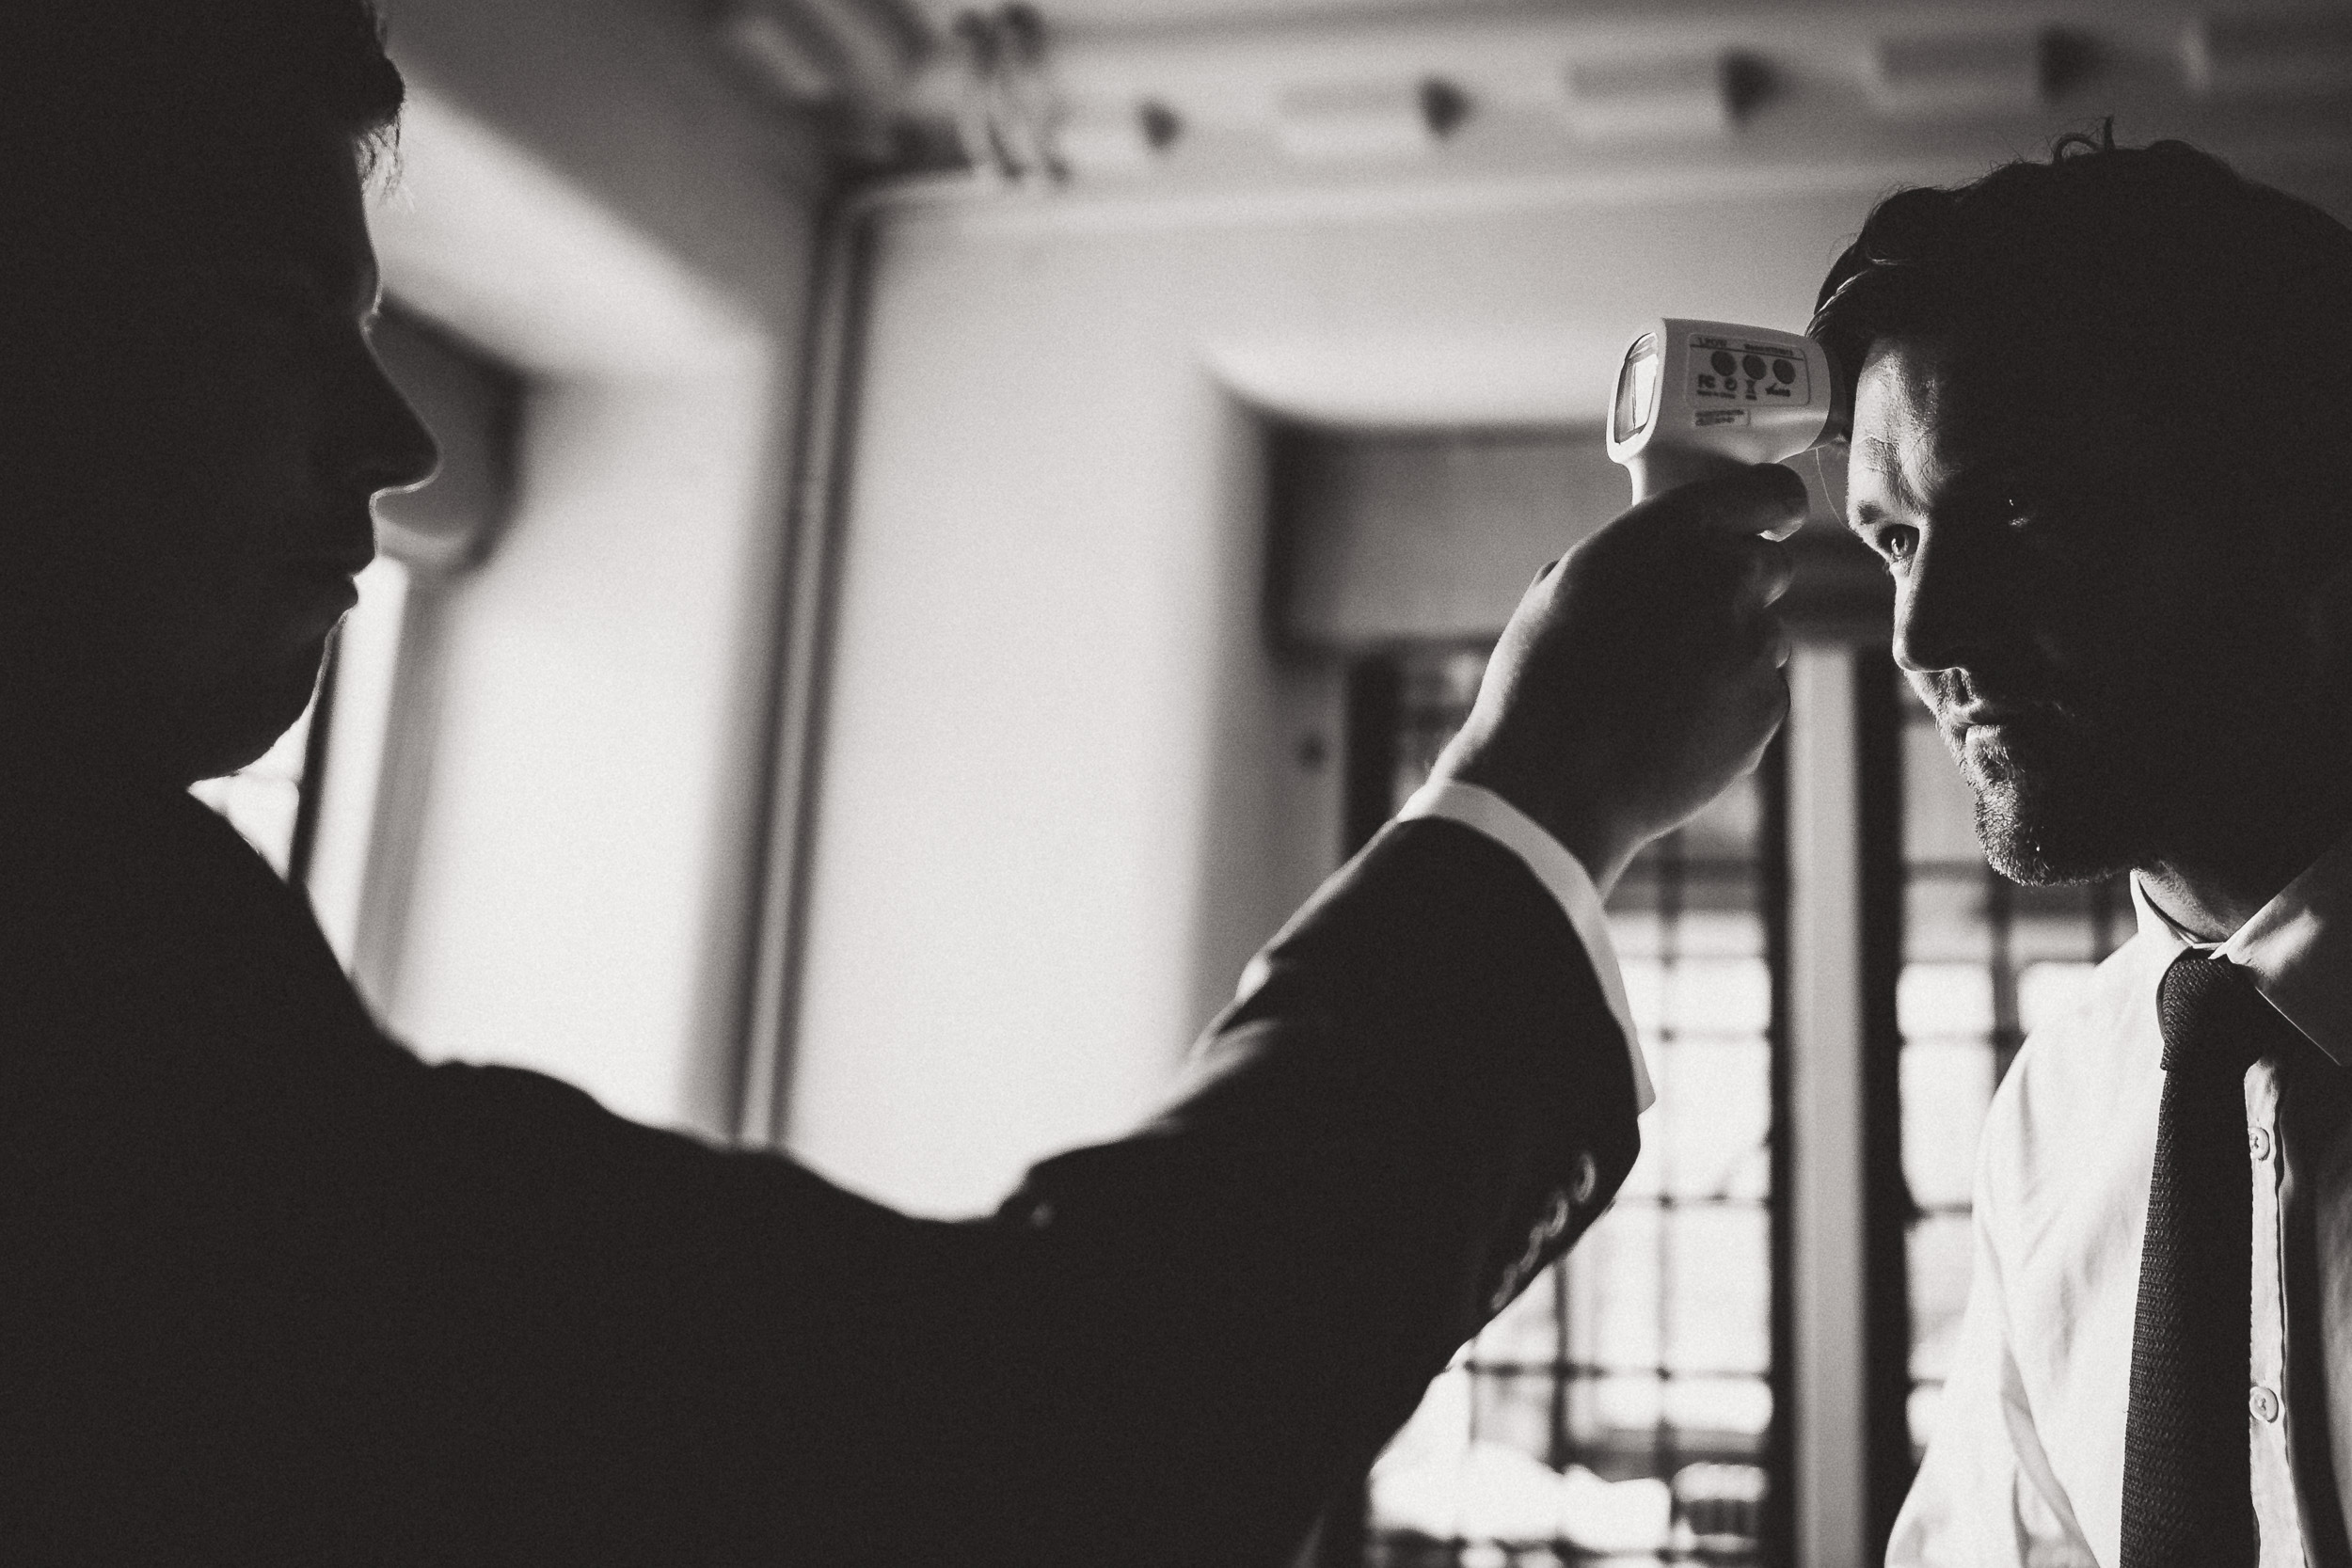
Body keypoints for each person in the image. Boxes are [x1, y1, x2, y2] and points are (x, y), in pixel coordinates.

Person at [0, 5, 1803, 1564]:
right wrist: (1539, 790)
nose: (399, 440)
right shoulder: (100, 998)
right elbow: (1018, 1456)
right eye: (272, 315)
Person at [1819, 132, 2352, 1563]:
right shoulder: (2055, 1117)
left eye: (2018, 509)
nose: (1924, 640)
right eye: (1894, 541)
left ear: (2298, 517)